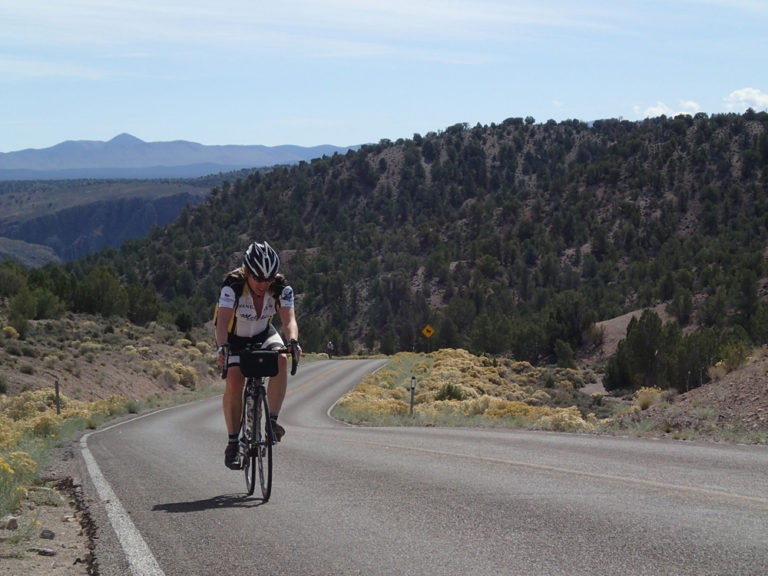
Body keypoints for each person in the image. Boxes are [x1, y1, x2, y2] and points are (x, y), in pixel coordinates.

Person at [214, 241, 301, 470]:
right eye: (259, 279)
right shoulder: (232, 285)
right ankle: (233, 443)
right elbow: (222, 322)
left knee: (281, 359)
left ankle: (271, 423)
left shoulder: (281, 287)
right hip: (234, 338)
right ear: (247, 273)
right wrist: (222, 347)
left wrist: (293, 341)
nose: (264, 284)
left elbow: (289, 320)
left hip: (263, 333)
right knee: (235, 379)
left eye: (269, 279)